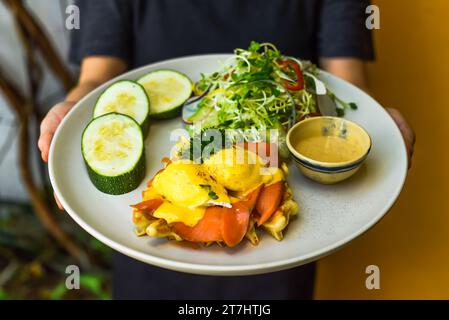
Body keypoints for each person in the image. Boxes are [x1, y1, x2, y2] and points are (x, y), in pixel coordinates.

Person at [38, 0, 415, 299]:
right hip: (151, 253)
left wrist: (378, 124)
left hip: (280, 261)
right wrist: (74, 112)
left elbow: (346, 86)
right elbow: (96, 77)